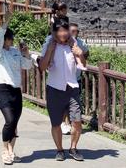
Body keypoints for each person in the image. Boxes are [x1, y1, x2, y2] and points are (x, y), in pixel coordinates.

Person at [39, 19, 87, 162]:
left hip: (72, 88)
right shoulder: (48, 43)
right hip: (54, 88)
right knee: (55, 123)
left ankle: (73, 148)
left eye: (65, 30)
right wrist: (50, 50)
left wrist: (80, 54)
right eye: (59, 30)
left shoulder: (73, 44)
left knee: (77, 121)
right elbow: (42, 67)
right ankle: (60, 150)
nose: (63, 33)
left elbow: (83, 65)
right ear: (54, 32)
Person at [0, 12, 33, 165]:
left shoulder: (15, 52)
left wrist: (26, 53)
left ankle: (11, 149)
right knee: (9, 120)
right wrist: (5, 23)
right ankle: (4, 149)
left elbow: (27, 66)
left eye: (11, 39)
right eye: (9, 38)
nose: (11, 41)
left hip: (16, 90)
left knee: (15, 122)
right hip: (3, 89)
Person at [60, 23, 89, 135]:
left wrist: (81, 57)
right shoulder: (63, 43)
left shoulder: (81, 43)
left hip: (76, 78)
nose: (74, 33)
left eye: (76, 31)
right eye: (72, 31)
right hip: (64, 79)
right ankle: (64, 122)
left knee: (74, 103)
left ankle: (71, 124)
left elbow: (86, 52)